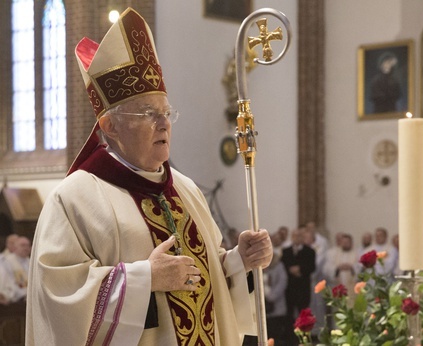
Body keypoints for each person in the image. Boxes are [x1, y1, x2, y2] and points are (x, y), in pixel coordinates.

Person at [26, 8, 272, 346]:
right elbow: (58, 299)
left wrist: (238, 262)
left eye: (166, 112)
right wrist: (143, 279)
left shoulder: (186, 191)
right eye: (147, 113)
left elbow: (207, 282)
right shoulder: (73, 198)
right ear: (109, 126)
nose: (164, 123)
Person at [281, 226, 316, 344]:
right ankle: (290, 339)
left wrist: (299, 269)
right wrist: (291, 270)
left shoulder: (310, 251)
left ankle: (305, 339)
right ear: (292, 237)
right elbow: (284, 266)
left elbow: (312, 267)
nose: (297, 238)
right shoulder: (286, 251)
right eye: (295, 236)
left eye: (300, 236)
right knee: (289, 314)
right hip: (290, 287)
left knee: (304, 314)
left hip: (303, 287)